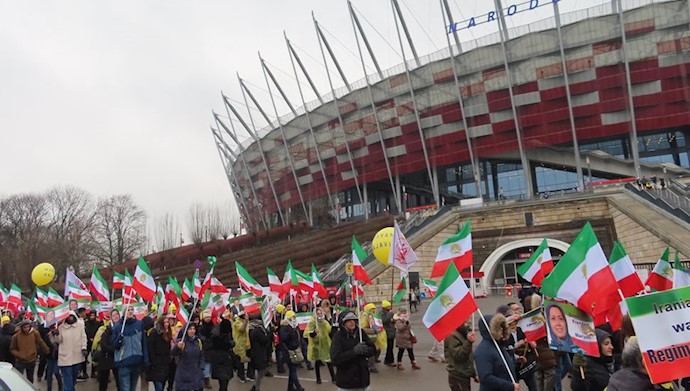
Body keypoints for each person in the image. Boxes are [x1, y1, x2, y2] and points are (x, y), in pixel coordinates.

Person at [330, 311, 377, 391]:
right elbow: (335, 359)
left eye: (354, 319)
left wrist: (366, 351)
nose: (352, 322)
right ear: (343, 322)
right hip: (347, 383)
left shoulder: (360, 333)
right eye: (349, 320)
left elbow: (373, 348)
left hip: (363, 381)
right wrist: (354, 351)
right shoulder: (338, 336)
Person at [474, 313, 519, 391]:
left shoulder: (499, 346)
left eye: (502, 326)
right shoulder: (483, 351)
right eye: (498, 327)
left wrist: (515, 360)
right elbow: (486, 377)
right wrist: (510, 386)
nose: (501, 329)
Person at [112, 305, 150, 391]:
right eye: (128, 310)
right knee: (125, 388)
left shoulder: (139, 324)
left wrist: (145, 360)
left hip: (136, 361)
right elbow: (115, 346)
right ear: (124, 312)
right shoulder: (118, 327)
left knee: (133, 387)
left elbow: (143, 342)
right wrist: (119, 338)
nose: (130, 312)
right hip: (124, 362)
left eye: (132, 309)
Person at [10, 318, 49, 383]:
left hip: (31, 359)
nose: (27, 329)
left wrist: (47, 350)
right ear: (22, 327)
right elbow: (12, 348)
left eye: (28, 327)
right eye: (25, 327)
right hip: (20, 360)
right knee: (18, 379)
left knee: (30, 379)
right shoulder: (16, 336)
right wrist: (19, 354)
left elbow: (41, 342)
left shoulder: (35, 333)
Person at [56, 311, 87, 391]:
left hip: (77, 356)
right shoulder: (61, 327)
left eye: (71, 316)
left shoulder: (80, 326)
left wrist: (84, 348)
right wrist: (57, 334)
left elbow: (83, 337)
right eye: (68, 316)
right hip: (65, 357)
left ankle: (70, 388)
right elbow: (59, 341)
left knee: (73, 378)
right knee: (67, 378)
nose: (70, 318)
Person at [506, 314, 537, 391]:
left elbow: (527, 339)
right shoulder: (506, 335)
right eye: (511, 325)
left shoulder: (520, 330)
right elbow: (507, 348)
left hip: (525, 361)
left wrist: (529, 342)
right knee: (515, 386)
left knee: (532, 386)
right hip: (514, 363)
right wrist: (518, 344)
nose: (513, 326)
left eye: (515, 323)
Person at [444, 321, 478, 391]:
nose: (468, 321)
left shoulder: (463, 332)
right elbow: (458, 356)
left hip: (464, 375)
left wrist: (474, 374)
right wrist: (469, 342)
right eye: (467, 319)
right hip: (458, 376)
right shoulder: (452, 335)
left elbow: (468, 358)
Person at [172, 323, 205, 391]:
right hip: (183, 373)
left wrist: (201, 368)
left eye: (194, 329)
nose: (192, 331)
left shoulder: (198, 341)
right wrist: (177, 347)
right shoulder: (181, 342)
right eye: (190, 329)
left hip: (196, 373)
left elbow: (202, 355)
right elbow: (173, 353)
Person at [306, 307, 335, 384]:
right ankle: (318, 378)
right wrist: (315, 332)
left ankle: (334, 378)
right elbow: (310, 334)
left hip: (325, 344)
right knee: (318, 361)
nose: (319, 315)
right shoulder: (312, 323)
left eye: (320, 313)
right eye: (317, 314)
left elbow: (329, 331)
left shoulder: (325, 322)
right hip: (317, 345)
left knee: (329, 361)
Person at [279, 310, 304, 391]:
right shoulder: (284, 327)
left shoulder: (295, 326)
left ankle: (290, 387)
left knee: (292, 370)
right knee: (293, 369)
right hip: (288, 351)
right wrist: (291, 331)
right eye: (292, 317)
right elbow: (283, 338)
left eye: (294, 317)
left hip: (295, 350)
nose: (293, 319)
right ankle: (298, 386)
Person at [96, 310, 120, 391]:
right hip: (106, 358)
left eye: (117, 314)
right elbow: (103, 345)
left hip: (117, 359)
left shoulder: (122, 328)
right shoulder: (107, 329)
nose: (116, 316)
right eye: (113, 315)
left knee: (120, 382)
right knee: (103, 383)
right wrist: (114, 349)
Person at [209, 318, 235, 391]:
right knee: (223, 383)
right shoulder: (216, 337)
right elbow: (228, 344)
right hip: (220, 360)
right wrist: (231, 343)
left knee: (224, 383)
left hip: (226, 360)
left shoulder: (223, 332)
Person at [148, 316, 173, 391]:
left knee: (162, 386)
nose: (166, 324)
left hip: (165, 364)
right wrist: (154, 361)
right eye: (164, 322)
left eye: (167, 322)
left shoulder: (168, 333)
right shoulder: (154, 333)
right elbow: (151, 349)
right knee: (158, 387)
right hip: (156, 365)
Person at [248, 313, 271, 391]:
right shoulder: (258, 330)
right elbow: (264, 340)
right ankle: (256, 387)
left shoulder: (250, 328)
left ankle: (255, 387)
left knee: (259, 370)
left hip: (254, 352)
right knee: (261, 370)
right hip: (259, 353)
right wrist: (267, 333)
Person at [360, 303, 385, 373]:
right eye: (372, 309)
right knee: (371, 351)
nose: (374, 311)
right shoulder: (365, 316)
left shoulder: (375, 316)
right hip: (369, 337)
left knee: (378, 350)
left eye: (374, 309)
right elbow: (363, 328)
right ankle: (371, 366)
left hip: (376, 337)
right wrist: (373, 331)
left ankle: (374, 360)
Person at [232, 310, 250, 382]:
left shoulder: (242, 321)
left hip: (245, 344)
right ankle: (241, 376)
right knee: (240, 362)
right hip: (238, 345)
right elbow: (242, 329)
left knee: (243, 361)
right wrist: (246, 321)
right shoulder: (237, 322)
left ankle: (242, 374)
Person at [198, 310, 214, 389]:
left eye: (209, 317)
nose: (208, 319)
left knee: (210, 365)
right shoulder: (201, 327)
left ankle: (206, 379)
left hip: (211, 348)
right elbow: (199, 336)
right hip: (204, 348)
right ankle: (206, 381)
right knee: (206, 366)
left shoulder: (213, 325)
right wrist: (204, 340)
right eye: (206, 317)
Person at [84, 310, 102, 378]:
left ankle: (93, 372)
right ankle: (84, 372)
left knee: (94, 358)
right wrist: (89, 338)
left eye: (93, 315)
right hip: (87, 342)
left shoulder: (97, 323)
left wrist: (95, 339)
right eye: (91, 315)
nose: (92, 317)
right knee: (85, 358)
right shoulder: (86, 323)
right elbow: (85, 332)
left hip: (95, 342)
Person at [379, 300, 396, 367]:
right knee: (389, 347)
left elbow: (391, 321)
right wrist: (390, 314)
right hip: (387, 332)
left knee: (390, 347)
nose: (390, 307)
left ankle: (387, 359)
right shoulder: (382, 313)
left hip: (391, 331)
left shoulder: (389, 312)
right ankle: (389, 360)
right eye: (388, 306)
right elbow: (384, 321)